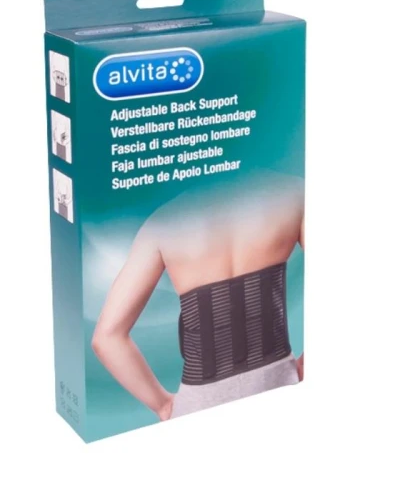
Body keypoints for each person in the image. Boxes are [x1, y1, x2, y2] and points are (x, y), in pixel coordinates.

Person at [92, 170, 304, 420]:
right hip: (280, 383)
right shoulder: (293, 192)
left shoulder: (163, 223)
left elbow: (106, 337)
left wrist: (163, 405)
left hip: (198, 407)